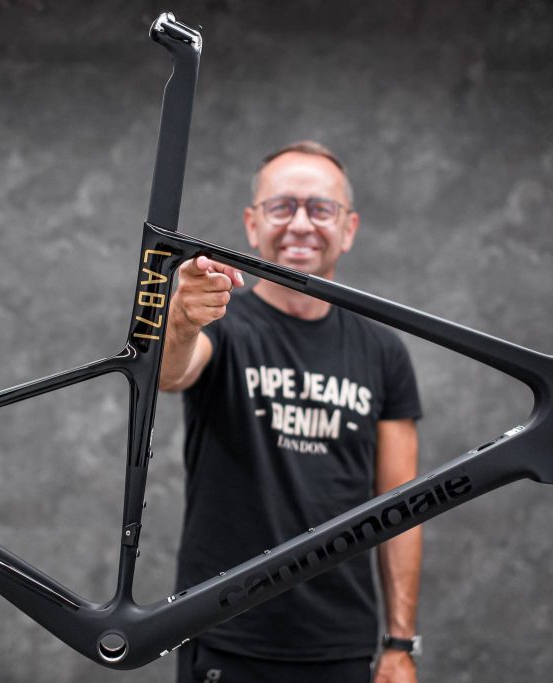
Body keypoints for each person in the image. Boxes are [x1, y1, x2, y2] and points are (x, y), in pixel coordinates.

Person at [160, 141, 423, 683]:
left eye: (320, 208)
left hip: (340, 643)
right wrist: (182, 321)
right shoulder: (221, 326)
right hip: (224, 633)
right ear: (252, 224)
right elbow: (169, 373)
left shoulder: (383, 351)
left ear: (348, 228)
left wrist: (400, 642)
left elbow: (403, 506)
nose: (300, 224)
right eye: (282, 207)